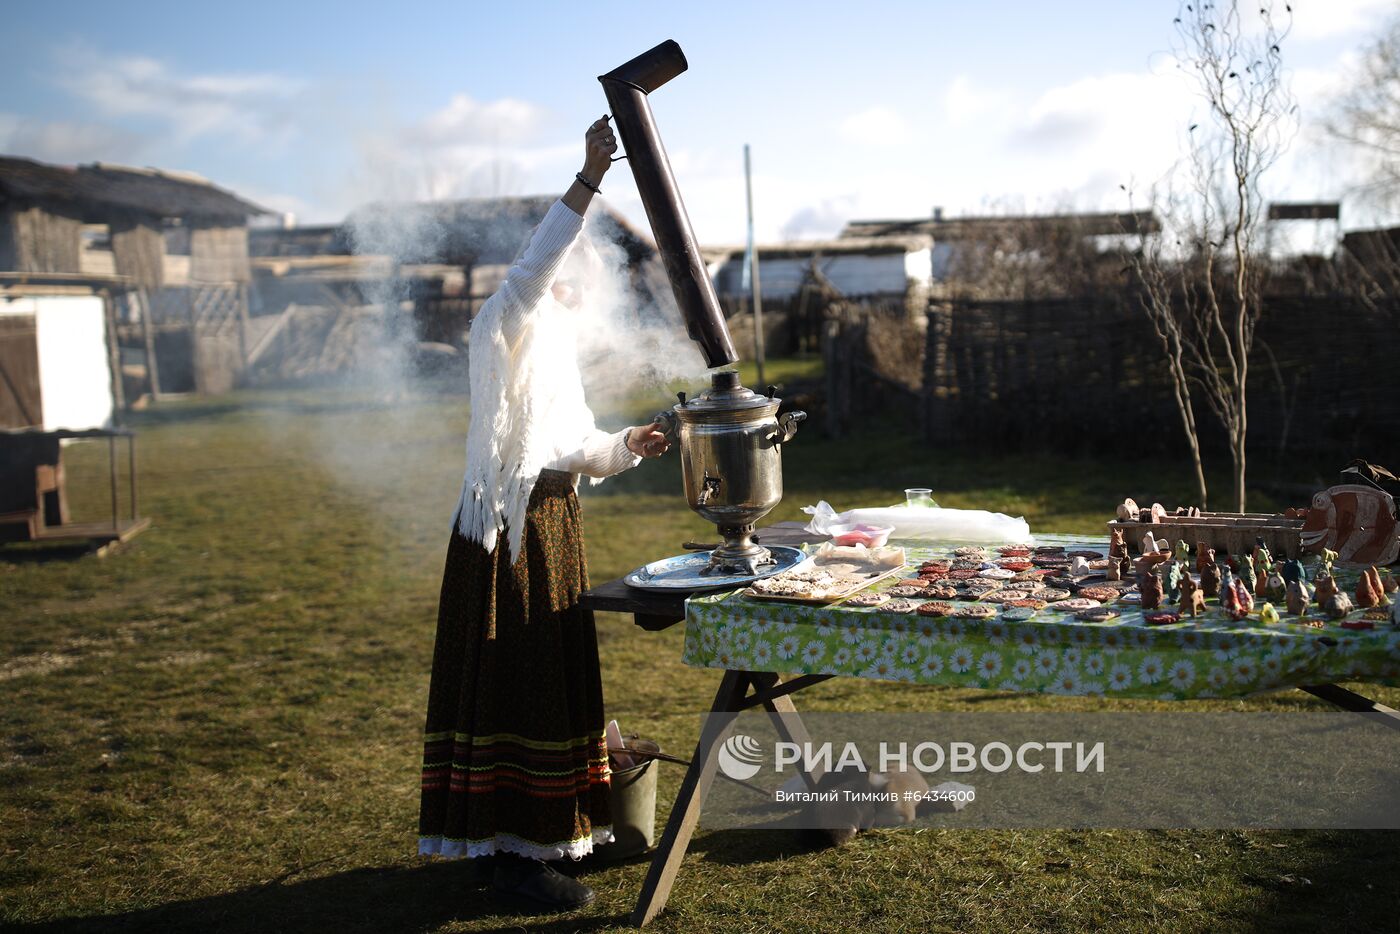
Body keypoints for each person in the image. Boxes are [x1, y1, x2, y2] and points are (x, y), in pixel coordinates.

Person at [417, 116, 670, 912]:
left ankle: (538, 840)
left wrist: (632, 441)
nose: (578, 291)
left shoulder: (555, 343)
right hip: (509, 537)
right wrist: (590, 178)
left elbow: (578, 446)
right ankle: (516, 856)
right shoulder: (511, 316)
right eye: (572, 276)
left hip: (555, 529)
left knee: (545, 685)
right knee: (513, 686)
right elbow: (535, 264)